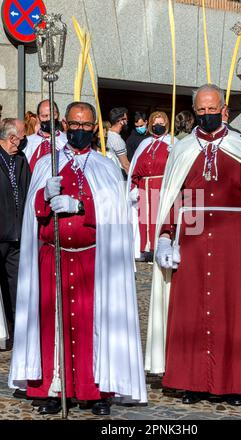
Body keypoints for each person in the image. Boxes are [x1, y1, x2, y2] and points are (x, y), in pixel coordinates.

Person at [145, 84, 241, 407]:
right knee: (189, 312)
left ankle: (234, 383)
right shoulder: (182, 149)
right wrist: (166, 235)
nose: (208, 115)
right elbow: (173, 194)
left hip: (233, 240)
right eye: (202, 110)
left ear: (224, 110)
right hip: (193, 237)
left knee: (233, 311)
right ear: (194, 111)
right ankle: (191, 381)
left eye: (213, 109)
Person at [9, 102, 147, 416]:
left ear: (94, 128)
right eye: (74, 124)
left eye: (86, 126)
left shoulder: (105, 166)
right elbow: (33, 212)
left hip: (91, 262)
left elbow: (116, 211)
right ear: (65, 124)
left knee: (91, 328)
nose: (80, 130)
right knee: (49, 324)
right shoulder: (47, 163)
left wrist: (81, 203)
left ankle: (94, 392)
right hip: (51, 260)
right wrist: (45, 195)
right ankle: (49, 390)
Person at [127, 111, 177, 262]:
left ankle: (160, 247)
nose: (158, 126)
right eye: (155, 124)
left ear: (166, 124)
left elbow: (179, 167)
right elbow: (135, 166)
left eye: (161, 124)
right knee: (145, 219)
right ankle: (146, 249)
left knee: (160, 218)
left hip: (162, 185)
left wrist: (175, 153)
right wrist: (133, 185)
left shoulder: (173, 142)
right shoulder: (145, 143)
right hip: (144, 186)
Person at [0, 119, 31, 342]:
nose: (24, 140)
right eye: (22, 136)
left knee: (15, 284)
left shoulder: (20, 159)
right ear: (12, 138)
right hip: (0, 230)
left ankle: (15, 330)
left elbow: (28, 189)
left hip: (18, 233)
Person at [24, 99, 67, 172]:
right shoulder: (27, 142)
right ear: (38, 118)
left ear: (58, 115)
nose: (49, 118)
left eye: (53, 115)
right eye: (44, 116)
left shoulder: (66, 140)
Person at [106, 107, 130, 177]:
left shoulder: (107, 133)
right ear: (120, 120)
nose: (127, 120)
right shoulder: (117, 140)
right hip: (118, 175)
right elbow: (125, 164)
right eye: (125, 118)